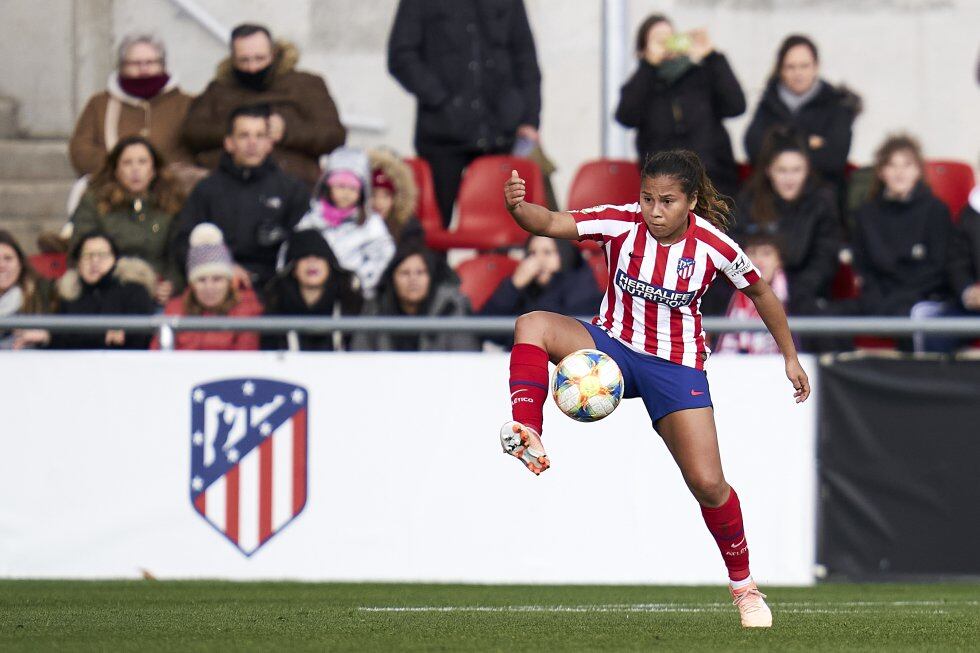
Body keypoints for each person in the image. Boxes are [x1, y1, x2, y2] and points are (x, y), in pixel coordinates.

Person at [499, 150, 810, 628]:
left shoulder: (713, 246)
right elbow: (550, 222)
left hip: (675, 367)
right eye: (647, 199)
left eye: (667, 201)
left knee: (708, 484)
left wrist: (789, 355)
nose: (654, 211)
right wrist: (519, 208)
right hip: (611, 348)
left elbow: (760, 292)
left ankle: (745, 589)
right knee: (532, 323)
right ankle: (528, 429)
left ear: (691, 201)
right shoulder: (621, 223)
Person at [388, 0, 541, 226]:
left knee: (502, 226)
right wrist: (440, 99)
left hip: (501, 133)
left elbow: (525, 58)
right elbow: (401, 56)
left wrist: (529, 119)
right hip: (443, 134)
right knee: (432, 227)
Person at [182, 23, 346, 188]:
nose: (252, 68)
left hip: (292, 183)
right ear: (233, 59)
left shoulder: (305, 85)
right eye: (244, 60)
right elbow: (193, 132)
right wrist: (238, 130)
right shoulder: (218, 89)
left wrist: (287, 132)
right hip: (228, 184)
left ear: (273, 53)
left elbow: (333, 135)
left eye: (260, 58)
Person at [173, 105, 310, 291]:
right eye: (244, 135)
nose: (252, 143)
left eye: (260, 136)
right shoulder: (206, 190)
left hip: (277, 289)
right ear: (229, 143)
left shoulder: (291, 189)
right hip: (219, 288)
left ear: (269, 143)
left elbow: (306, 246)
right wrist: (221, 266)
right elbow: (184, 243)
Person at [615, 15, 745, 198]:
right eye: (658, 39)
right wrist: (648, 66)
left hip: (714, 181)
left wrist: (712, 55)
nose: (666, 43)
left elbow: (736, 106)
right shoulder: (643, 84)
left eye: (670, 37)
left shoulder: (702, 75)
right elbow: (626, 116)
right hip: (665, 187)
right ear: (644, 48)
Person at [744, 35, 861, 206]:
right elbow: (753, 148)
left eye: (804, 66)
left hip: (823, 201)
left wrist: (779, 144)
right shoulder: (769, 102)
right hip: (771, 200)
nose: (798, 73)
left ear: (816, 67)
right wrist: (809, 142)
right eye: (790, 67)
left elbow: (834, 158)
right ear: (781, 70)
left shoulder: (836, 105)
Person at [733, 127, 839, 317]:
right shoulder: (749, 201)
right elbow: (734, 250)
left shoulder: (821, 203)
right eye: (782, 170)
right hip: (752, 292)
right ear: (768, 171)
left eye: (796, 170)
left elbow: (824, 258)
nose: (789, 179)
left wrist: (795, 291)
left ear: (807, 169)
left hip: (804, 296)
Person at [68, 136, 184, 305]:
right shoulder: (94, 202)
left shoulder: (171, 202)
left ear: (154, 169)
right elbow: (81, 250)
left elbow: (178, 252)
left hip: (157, 292)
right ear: (116, 170)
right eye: (127, 163)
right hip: (106, 292)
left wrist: (171, 284)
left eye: (142, 162)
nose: (135, 169)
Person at [851, 135, 952, 318]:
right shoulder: (866, 214)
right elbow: (864, 267)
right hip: (877, 299)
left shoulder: (936, 210)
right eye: (892, 165)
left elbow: (937, 269)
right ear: (881, 172)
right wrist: (875, 299)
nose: (900, 172)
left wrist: (897, 298)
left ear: (918, 171)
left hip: (919, 299)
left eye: (907, 165)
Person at [70, 33, 193, 179]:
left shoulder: (187, 103)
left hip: (173, 186)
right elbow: (81, 150)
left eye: (151, 62)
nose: (143, 69)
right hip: (112, 187)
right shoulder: (99, 104)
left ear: (163, 65)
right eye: (135, 63)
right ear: (122, 66)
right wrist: (120, 168)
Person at [13, 231, 156, 350]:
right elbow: (62, 340)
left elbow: (138, 339)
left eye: (102, 255)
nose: (94, 261)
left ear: (115, 259)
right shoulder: (70, 294)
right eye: (87, 256)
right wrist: (104, 337)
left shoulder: (134, 291)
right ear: (78, 263)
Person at [294, 147, 396, 298]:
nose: (346, 193)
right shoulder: (312, 218)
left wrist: (360, 281)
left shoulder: (370, 224)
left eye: (353, 188)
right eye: (341, 186)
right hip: (314, 293)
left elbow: (384, 257)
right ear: (328, 185)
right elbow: (294, 249)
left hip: (354, 294)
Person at [151, 224, 262, 351]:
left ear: (229, 282)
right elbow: (157, 356)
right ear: (192, 284)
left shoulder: (246, 312)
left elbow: (246, 357)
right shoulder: (175, 310)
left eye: (217, 279)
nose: (209, 287)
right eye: (201, 280)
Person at [351, 246, 480, 352]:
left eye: (420, 272)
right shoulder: (375, 309)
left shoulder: (451, 307)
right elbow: (359, 358)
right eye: (405, 273)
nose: (413, 280)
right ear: (392, 279)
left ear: (431, 278)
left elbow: (466, 360)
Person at [262, 229, 362, 351]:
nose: (312, 262)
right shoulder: (276, 311)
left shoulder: (350, 306)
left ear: (330, 266)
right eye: (304, 257)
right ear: (293, 269)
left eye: (319, 256)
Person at [480, 235, 602, 320]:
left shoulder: (582, 284)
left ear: (565, 255)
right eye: (532, 253)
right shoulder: (523, 290)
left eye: (547, 252)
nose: (538, 260)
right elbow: (486, 326)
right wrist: (513, 286)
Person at [715, 234, 789, 355]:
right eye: (752, 253)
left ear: (779, 261)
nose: (759, 261)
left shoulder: (793, 299)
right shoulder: (726, 295)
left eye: (766, 254)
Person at [0, 230, 54, 348]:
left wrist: (46, 336)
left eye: (8, 258)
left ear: (20, 264)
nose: (1, 266)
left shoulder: (41, 295)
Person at [368, 148, 425, 248]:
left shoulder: (408, 228)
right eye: (373, 194)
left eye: (386, 195)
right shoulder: (354, 224)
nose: (379, 202)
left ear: (397, 197)